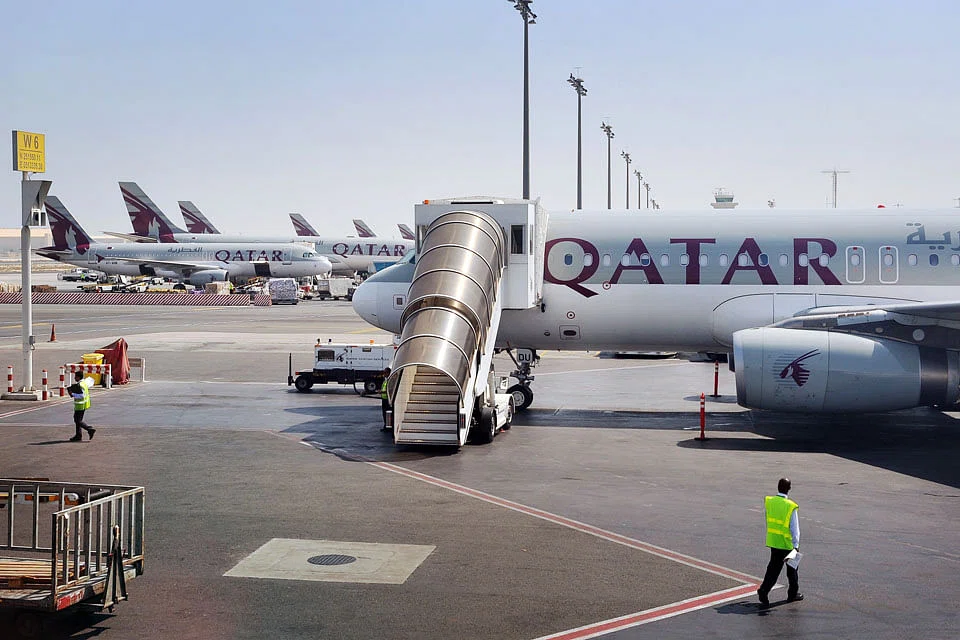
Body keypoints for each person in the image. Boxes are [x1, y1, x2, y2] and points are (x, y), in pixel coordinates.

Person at [757, 477, 802, 606]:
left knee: (773, 570)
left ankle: (764, 590)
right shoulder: (790, 506)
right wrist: (796, 546)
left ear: (778, 487)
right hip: (787, 544)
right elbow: (795, 529)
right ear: (789, 488)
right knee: (792, 570)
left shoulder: (770, 502)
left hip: (774, 542)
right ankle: (792, 594)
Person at [68, 371, 97, 442]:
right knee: (78, 420)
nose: (74, 378)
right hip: (83, 404)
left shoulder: (80, 385)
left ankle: (89, 429)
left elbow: (82, 396)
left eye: (75, 376)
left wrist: (72, 394)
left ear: (78, 377)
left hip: (80, 405)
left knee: (77, 420)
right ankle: (78, 435)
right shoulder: (83, 383)